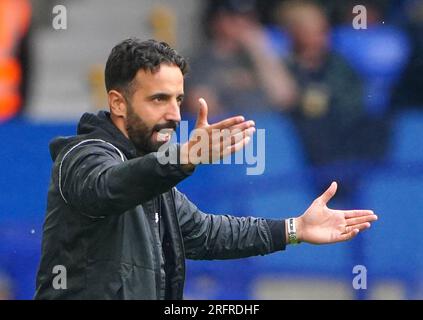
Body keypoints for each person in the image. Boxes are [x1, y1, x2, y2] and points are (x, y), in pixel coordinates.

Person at [34, 39, 377, 300]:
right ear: (118, 103)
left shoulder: (154, 175)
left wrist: (294, 228)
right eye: (158, 99)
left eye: (177, 100)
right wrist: (182, 158)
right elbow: (108, 188)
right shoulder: (81, 156)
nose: (172, 114)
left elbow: (205, 233)